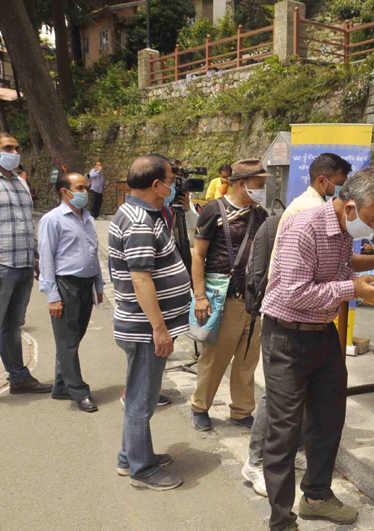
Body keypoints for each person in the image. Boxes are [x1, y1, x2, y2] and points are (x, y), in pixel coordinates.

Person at [260, 168, 374, 531]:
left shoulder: (342, 231)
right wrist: (354, 290)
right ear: (350, 206)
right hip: (286, 337)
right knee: (285, 431)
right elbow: (295, 293)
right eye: (371, 219)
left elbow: (333, 276)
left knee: (329, 418)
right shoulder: (305, 227)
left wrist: (359, 281)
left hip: (323, 335)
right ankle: (281, 519)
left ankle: (317, 496)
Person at [109, 154, 192, 490]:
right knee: (141, 401)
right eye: (171, 179)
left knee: (141, 396)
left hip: (144, 327)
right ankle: (142, 470)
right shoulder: (139, 220)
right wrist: (160, 329)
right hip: (145, 330)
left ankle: (130, 457)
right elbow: (141, 278)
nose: (174, 185)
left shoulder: (145, 212)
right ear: (156, 184)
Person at [190, 159, 270, 432]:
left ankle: (242, 411)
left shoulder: (260, 214)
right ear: (240, 183)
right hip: (224, 299)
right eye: (259, 184)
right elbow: (198, 255)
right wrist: (200, 297)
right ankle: (200, 406)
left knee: (248, 360)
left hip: (253, 300)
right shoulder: (213, 210)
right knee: (215, 358)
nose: (263, 189)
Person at [38, 172, 104, 412]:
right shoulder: (52, 220)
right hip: (66, 286)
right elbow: (46, 259)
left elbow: (92, 253)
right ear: (65, 192)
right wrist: (53, 296)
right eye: (80, 188)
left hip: (85, 286)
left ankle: (60, 386)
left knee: (71, 340)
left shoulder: (87, 218)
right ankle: (79, 391)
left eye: (86, 188)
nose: (85, 193)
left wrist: (98, 284)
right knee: (67, 343)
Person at [0, 133, 50, 394]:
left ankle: (18, 378)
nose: (15, 152)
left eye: (17, 147)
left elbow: (26, 223)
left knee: (12, 323)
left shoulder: (19, 182)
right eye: (8, 148)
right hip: (2, 263)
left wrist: (36, 255)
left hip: (22, 263)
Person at [269, 153, 352, 278]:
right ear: (322, 181)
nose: (343, 190)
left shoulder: (311, 203)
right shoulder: (313, 210)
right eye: (340, 184)